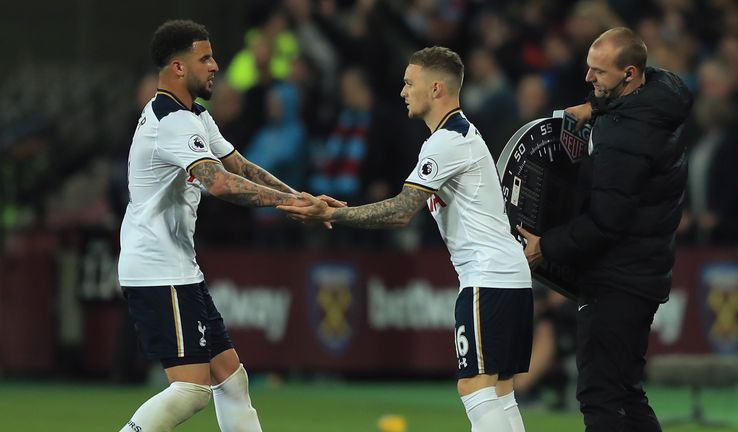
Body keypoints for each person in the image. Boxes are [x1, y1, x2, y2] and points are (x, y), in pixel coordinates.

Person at [279, 46, 533, 432]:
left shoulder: (447, 142)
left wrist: (331, 213)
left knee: (475, 387)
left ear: (435, 89)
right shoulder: (462, 135)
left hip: (488, 278)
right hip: (508, 276)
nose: (402, 91)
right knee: (500, 393)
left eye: (409, 83)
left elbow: (401, 211)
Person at [116, 20, 340, 432]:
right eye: (205, 58)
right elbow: (218, 182)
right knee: (190, 390)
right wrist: (292, 203)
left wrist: (302, 199)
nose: (216, 66)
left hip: (177, 267)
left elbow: (240, 166)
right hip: (157, 269)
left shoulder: (194, 116)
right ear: (179, 67)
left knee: (231, 378)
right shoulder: (171, 120)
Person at [517, 27, 693, 432]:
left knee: (600, 398)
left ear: (630, 74)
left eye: (599, 73)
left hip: (617, 280)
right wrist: (597, 110)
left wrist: (547, 246)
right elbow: (631, 113)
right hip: (640, 274)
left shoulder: (622, 138)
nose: (588, 79)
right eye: (589, 68)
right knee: (626, 395)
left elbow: (606, 223)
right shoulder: (657, 100)